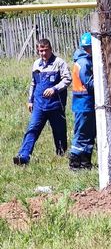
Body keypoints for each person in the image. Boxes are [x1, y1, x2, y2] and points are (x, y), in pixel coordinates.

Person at [13, 38, 72, 165]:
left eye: (45, 50)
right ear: (37, 51)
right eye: (41, 51)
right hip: (39, 105)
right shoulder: (36, 64)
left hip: (55, 105)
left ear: (51, 49)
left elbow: (67, 79)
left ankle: (61, 155)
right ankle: (23, 157)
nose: (43, 53)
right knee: (32, 129)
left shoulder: (59, 63)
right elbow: (33, 83)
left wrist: (54, 89)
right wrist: (30, 101)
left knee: (59, 131)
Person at [69, 32, 96, 170]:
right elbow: (90, 84)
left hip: (86, 103)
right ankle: (75, 162)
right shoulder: (84, 63)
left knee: (89, 133)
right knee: (82, 133)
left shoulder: (85, 60)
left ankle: (85, 162)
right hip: (84, 103)